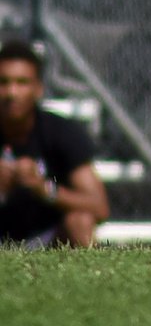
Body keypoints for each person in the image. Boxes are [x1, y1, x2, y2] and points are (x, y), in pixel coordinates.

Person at [0, 39, 110, 248]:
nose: (11, 93)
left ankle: (95, 280)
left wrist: (45, 189)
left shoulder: (60, 132)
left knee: (80, 222)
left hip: (47, 240)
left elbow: (99, 207)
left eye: (22, 83)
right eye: (3, 82)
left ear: (38, 89)